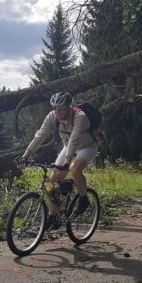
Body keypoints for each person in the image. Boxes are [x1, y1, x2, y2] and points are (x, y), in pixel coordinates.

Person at [19, 92, 98, 231]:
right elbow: (40, 135)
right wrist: (25, 156)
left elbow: (74, 140)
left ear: (69, 106)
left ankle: (84, 198)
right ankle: (53, 216)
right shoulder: (52, 116)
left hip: (86, 147)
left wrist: (67, 163)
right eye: (55, 108)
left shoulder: (80, 117)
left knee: (74, 169)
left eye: (60, 108)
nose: (57, 111)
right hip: (68, 148)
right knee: (50, 183)